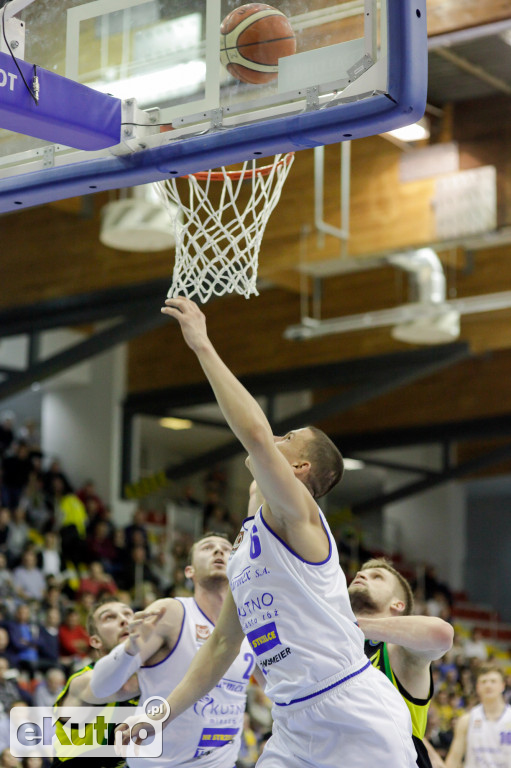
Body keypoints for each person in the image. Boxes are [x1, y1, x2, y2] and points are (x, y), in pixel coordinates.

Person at [118, 296, 417, 768]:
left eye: (288, 438)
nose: (274, 437)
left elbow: (255, 433)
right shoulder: (244, 554)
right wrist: (159, 715)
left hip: (352, 710)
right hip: (292, 723)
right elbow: (220, 646)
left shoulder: (301, 517)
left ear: (297, 468)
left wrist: (202, 345)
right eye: (280, 433)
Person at [90, 532, 255, 768]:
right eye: (208, 547)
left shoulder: (248, 623)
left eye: (226, 549)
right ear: (190, 571)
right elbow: (100, 687)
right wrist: (128, 649)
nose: (219, 551)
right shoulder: (172, 613)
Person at [348, 558, 454, 768]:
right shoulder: (333, 645)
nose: (360, 576)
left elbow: (441, 634)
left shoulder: (396, 650)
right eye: (359, 574)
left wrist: (350, 625)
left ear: (398, 604)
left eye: (376, 577)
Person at [51, 596, 139, 768]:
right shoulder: (82, 681)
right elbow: (124, 686)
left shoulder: (145, 677)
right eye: (109, 617)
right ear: (96, 641)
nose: (123, 620)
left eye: (128, 614)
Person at [445, 664, 511, 767]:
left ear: (502, 685)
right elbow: (453, 760)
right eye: (484, 682)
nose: (488, 685)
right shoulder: (466, 720)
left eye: (493, 681)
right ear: (477, 687)